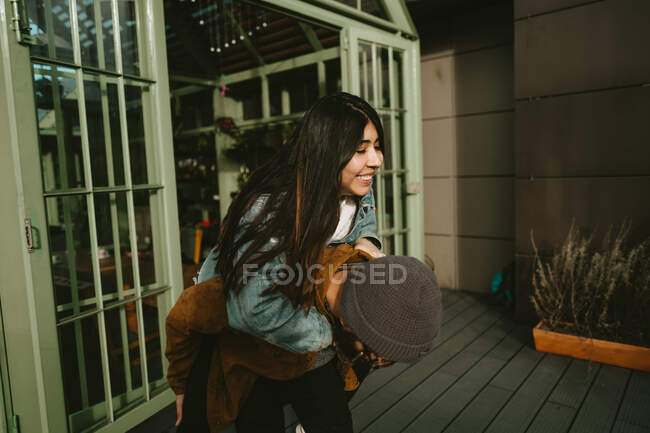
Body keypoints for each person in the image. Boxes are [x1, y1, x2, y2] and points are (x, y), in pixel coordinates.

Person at [170, 92, 384, 431]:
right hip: (245, 341)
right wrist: (330, 332)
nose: (375, 160)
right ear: (325, 152)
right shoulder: (270, 208)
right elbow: (252, 309)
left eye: (376, 145)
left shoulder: (359, 186)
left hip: (304, 328)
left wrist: (368, 246)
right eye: (360, 150)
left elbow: (367, 223)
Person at [166, 251, 442, 433]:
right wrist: (182, 385)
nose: (375, 359)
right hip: (247, 362)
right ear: (348, 324)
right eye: (371, 352)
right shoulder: (274, 281)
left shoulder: (374, 287)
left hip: (309, 363)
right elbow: (184, 315)